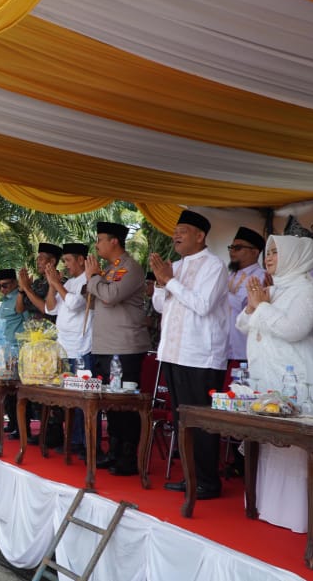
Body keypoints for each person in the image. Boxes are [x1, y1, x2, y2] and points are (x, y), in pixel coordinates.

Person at [235, 234, 313, 533]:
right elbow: (242, 323)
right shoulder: (275, 289)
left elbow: (293, 329)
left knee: (294, 447)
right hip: (271, 376)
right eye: (269, 251)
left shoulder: (306, 289)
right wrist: (254, 306)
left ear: (296, 256)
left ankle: (301, 517)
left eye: (277, 252)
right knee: (273, 443)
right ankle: (269, 507)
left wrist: (260, 307)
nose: (269, 257)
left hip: (297, 377)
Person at [150, 210, 229, 499]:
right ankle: (191, 476)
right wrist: (161, 283)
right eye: (175, 230)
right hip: (174, 353)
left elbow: (203, 305)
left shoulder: (214, 266)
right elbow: (162, 306)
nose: (176, 235)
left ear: (200, 235)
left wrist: (169, 281)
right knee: (181, 420)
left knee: (201, 422)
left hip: (200, 357)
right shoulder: (177, 267)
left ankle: (208, 481)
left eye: (183, 230)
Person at [85, 222, 152, 475]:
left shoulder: (130, 267)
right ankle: (113, 451)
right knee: (110, 404)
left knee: (125, 403)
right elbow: (94, 299)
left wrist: (93, 278)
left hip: (125, 346)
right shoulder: (109, 270)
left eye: (100, 239)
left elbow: (111, 296)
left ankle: (127, 456)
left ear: (115, 241)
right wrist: (93, 280)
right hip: (104, 345)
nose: (97, 244)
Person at [45, 242, 94, 455]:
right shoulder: (69, 282)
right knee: (69, 399)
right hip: (65, 349)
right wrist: (51, 283)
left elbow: (74, 303)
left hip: (82, 348)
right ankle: (73, 440)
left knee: (83, 399)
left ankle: (85, 443)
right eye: (63, 261)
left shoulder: (88, 280)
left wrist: (57, 284)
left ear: (82, 260)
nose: (65, 265)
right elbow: (50, 307)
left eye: (68, 261)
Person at [0, 269, 32, 439]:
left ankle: (23, 428)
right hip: (3, 351)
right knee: (8, 391)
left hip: (16, 351)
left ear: (15, 283)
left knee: (17, 391)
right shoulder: (4, 300)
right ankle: (13, 423)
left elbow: (28, 321)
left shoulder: (20, 296)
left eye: (5, 285)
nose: (2, 289)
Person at [226, 226, 267, 368]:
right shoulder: (230, 275)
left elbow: (244, 306)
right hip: (221, 349)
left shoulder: (262, 276)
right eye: (231, 247)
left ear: (255, 252)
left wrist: (219, 290)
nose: (232, 251)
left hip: (243, 349)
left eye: (238, 248)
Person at [18, 242, 63, 322]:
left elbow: (46, 309)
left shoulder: (60, 282)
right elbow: (19, 309)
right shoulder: (37, 282)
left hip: (50, 332)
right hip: (33, 332)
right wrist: (22, 290)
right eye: (37, 258)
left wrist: (27, 288)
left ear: (52, 261)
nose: (37, 261)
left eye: (41, 258)